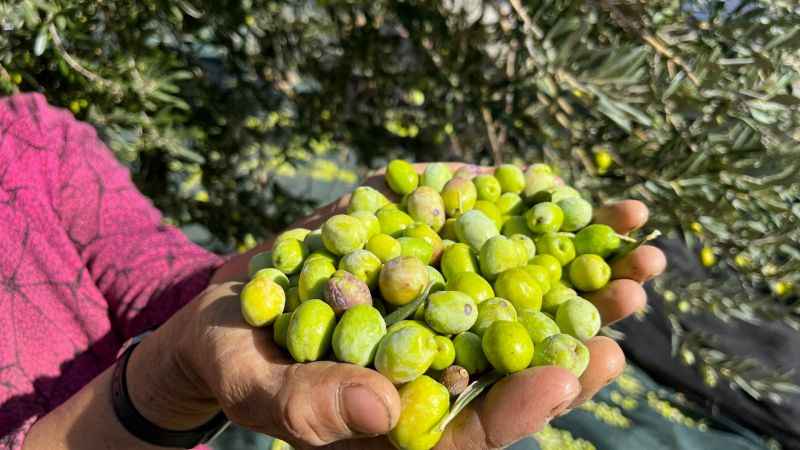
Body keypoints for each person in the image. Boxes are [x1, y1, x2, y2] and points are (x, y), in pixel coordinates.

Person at [0, 93, 666, 450]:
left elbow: (156, 285)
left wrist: (264, 268)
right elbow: (174, 339)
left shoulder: (31, 136)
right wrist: (158, 390)